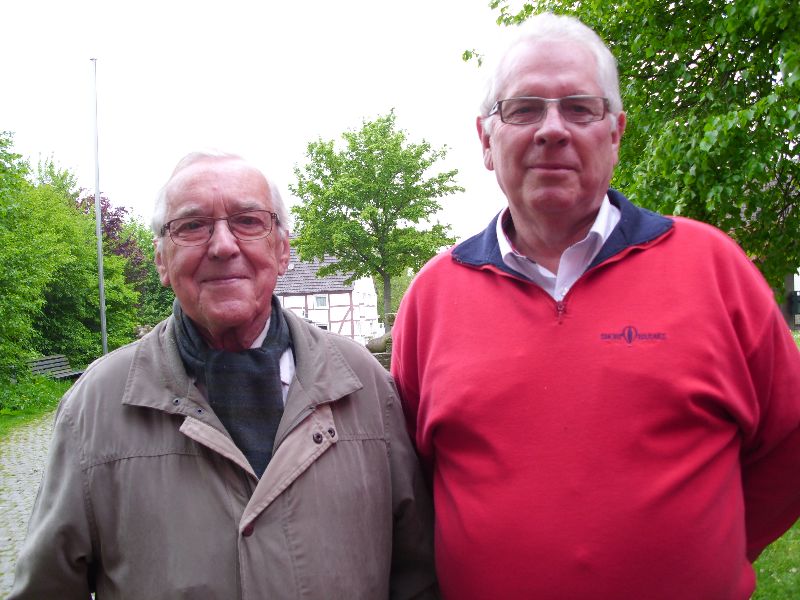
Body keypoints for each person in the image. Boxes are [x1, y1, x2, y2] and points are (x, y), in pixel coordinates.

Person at [391, 12, 800, 600]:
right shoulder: (433, 296)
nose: (552, 130)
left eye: (580, 108)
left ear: (615, 133)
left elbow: (789, 445)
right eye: (524, 109)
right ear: (485, 139)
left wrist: (717, 546)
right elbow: (414, 477)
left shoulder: (712, 266)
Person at [11, 151, 438, 599]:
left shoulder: (364, 385)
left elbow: (418, 577)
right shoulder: (95, 406)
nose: (222, 245)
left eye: (248, 221)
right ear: (161, 260)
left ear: (283, 250)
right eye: (192, 225)